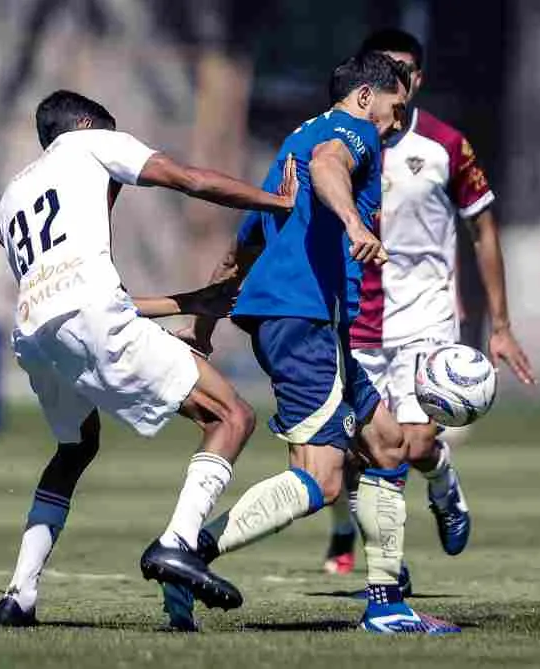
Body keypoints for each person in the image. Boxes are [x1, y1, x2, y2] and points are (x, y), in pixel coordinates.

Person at [155, 51, 460, 635]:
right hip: (305, 319)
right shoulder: (347, 131)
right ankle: (186, 554)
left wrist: (205, 320)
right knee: (321, 478)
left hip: (316, 322)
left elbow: (244, 243)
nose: (397, 124)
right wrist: (354, 223)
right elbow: (329, 167)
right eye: (396, 109)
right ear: (366, 97)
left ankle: (387, 604)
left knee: (389, 443)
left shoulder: (289, 150)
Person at [0, 89, 299, 627]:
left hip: (35, 337)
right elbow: (191, 180)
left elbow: (73, 294)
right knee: (232, 416)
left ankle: (19, 595)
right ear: (87, 125)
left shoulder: (11, 199)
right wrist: (277, 203)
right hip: (88, 318)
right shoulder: (93, 143)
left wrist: (189, 304)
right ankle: (177, 542)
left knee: (75, 448)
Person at [322, 29, 537, 576]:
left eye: (410, 70)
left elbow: (484, 230)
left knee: (415, 445)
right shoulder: (337, 144)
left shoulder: (444, 144)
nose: (403, 79)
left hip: (426, 316)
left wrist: (502, 325)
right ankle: (383, 560)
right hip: (355, 320)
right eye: (391, 68)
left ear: (420, 78)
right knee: (362, 452)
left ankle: (443, 483)